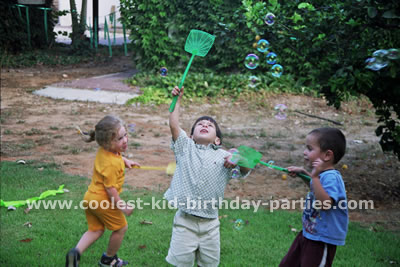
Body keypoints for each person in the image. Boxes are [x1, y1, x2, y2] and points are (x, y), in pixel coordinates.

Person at [164, 86, 251, 267]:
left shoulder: (225, 157)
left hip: (211, 223)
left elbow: (245, 169)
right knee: (182, 263)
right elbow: (173, 124)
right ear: (191, 135)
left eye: (210, 125)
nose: (205, 125)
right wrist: (176, 101)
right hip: (185, 221)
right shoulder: (185, 148)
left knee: (209, 264)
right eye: (200, 124)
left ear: (217, 140)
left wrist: (239, 158)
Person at [66, 115, 140, 267]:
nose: (125, 140)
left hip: (90, 198)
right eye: (119, 139)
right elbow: (110, 189)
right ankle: (108, 260)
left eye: (125, 135)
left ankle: (75, 253)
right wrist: (122, 206)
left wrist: (125, 161)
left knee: (96, 229)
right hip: (103, 201)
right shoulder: (112, 164)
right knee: (120, 228)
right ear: (107, 142)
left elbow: (115, 158)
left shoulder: (105, 151)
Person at [279, 127, 348, 267]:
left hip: (321, 240)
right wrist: (304, 174)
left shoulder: (331, 178)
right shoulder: (322, 175)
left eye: (310, 149)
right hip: (309, 233)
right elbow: (316, 190)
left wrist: (315, 177)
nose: (305, 152)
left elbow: (325, 204)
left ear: (327, 155)